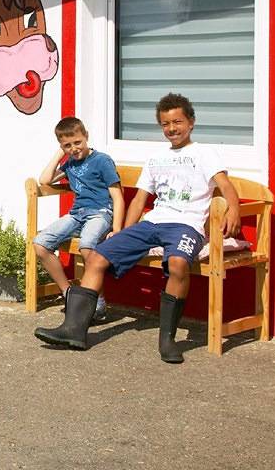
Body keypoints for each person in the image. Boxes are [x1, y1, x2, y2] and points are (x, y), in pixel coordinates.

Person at [35, 93, 241, 363]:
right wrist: (123, 232)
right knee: (97, 256)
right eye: (165, 124)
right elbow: (140, 200)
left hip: (186, 225)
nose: (172, 129)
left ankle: (167, 339)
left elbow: (225, 187)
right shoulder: (156, 158)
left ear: (191, 122)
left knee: (178, 264)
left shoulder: (205, 153)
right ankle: (73, 329)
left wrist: (234, 210)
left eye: (177, 122)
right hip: (152, 222)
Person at [32, 117, 124, 320]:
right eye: (67, 145)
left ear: (86, 137)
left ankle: (97, 304)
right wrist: (60, 153)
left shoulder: (102, 160)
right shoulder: (70, 164)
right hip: (77, 214)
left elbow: (117, 196)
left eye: (77, 142)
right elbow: (45, 180)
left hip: (101, 213)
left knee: (87, 245)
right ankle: (69, 294)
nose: (74, 148)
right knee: (40, 244)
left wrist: (117, 228)